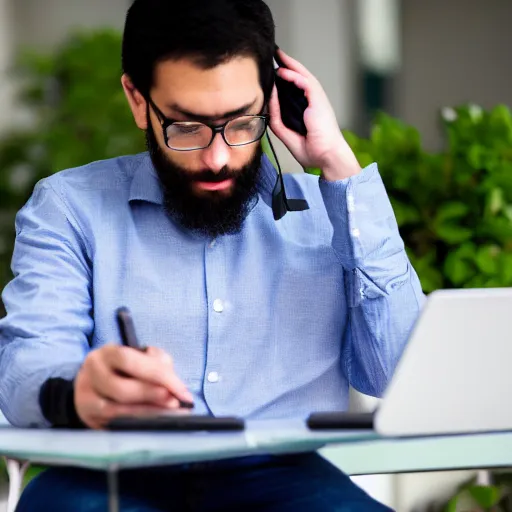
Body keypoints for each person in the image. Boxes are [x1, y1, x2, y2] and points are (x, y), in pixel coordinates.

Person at [0, 0, 425, 510]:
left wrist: (339, 165)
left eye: (241, 122)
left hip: (289, 479)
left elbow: (401, 377)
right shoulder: (69, 207)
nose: (218, 156)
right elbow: (27, 365)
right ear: (138, 100)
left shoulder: (333, 212)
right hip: (111, 476)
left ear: (273, 98)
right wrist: (76, 394)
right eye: (186, 126)